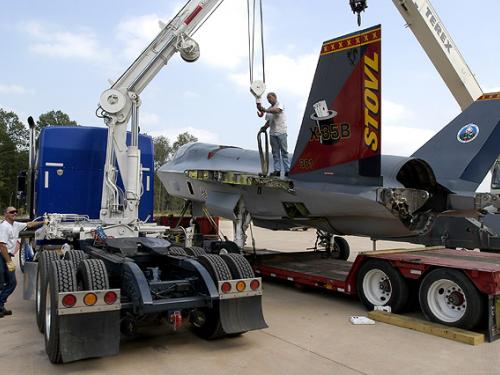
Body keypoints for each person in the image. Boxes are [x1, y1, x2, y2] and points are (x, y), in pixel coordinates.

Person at [0, 207, 44, 317]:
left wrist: (44, 222)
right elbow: (2, 246)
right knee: (10, 282)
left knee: (8, 283)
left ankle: (0, 307)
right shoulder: (4, 227)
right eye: (11, 212)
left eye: (16, 212)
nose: (14, 213)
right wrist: (9, 262)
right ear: (5, 214)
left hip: (6, 256)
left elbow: (29, 224)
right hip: (3, 256)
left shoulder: (15, 225)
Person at [257, 92, 290, 177]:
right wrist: (264, 128)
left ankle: (287, 170)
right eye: (267, 98)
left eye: (270, 97)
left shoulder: (280, 105)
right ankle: (277, 170)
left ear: (275, 97)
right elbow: (269, 122)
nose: (269, 99)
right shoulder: (268, 109)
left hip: (281, 132)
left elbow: (277, 111)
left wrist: (265, 110)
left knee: (284, 152)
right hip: (272, 133)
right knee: (275, 153)